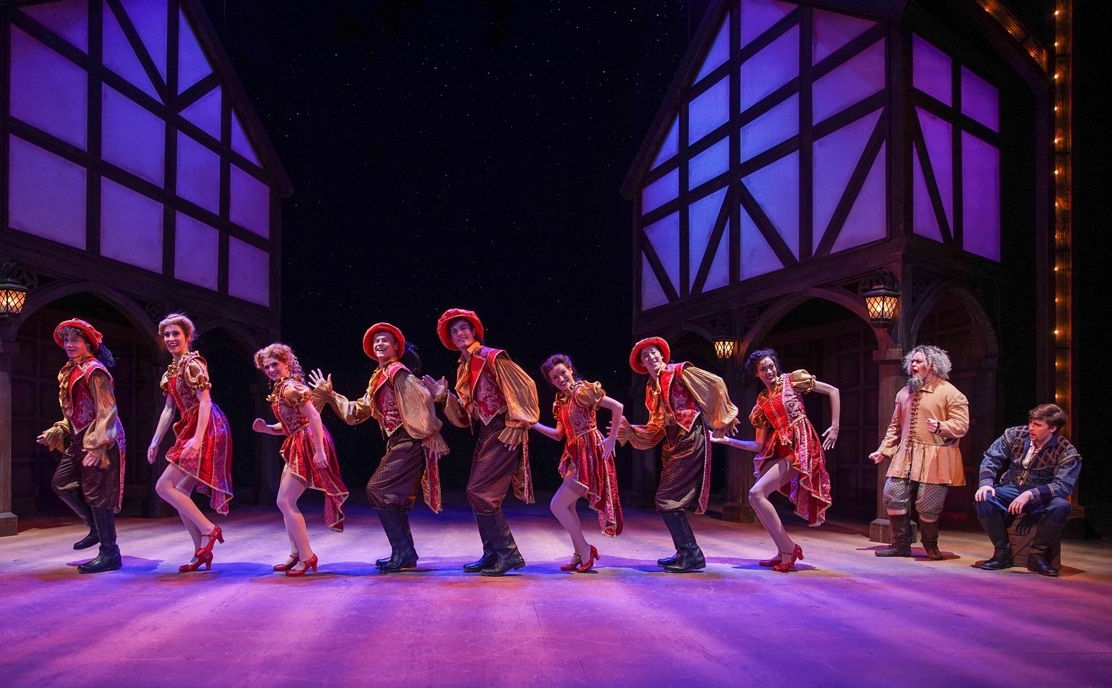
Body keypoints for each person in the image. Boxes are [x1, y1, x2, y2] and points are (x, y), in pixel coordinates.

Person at [309, 323, 447, 573]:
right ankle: (404, 553)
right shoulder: (378, 376)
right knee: (390, 497)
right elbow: (357, 412)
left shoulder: (398, 373)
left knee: (377, 489)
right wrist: (330, 396)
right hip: (397, 442)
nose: (379, 344)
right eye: (376, 342)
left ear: (396, 346)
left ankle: (403, 552)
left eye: (385, 340)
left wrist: (430, 431)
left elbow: (421, 398)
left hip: (410, 440)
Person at [423, 308, 540, 576]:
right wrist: (444, 397)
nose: (459, 333)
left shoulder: (492, 357)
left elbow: (525, 385)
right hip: (487, 432)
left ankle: (508, 554)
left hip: (503, 429)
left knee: (480, 493)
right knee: (476, 494)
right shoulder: (465, 367)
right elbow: (465, 417)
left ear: (475, 331)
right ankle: (492, 554)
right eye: (454, 331)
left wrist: (517, 423)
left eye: (464, 328)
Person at [617, 337, 739, 573]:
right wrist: (632, 431)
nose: (650, 357)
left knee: (665, 498)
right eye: (645, 356)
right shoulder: (651, 389)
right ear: (642, 363)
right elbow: (656, 425)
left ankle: (691, 554)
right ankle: (686, 552)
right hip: (673, 441)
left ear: (662, 355)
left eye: (653, 353)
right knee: (669, 499)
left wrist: (722, 416)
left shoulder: (678, 371)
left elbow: (715, 382)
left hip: (690, 436)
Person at [711, 348, 836, 572]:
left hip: (800, 446)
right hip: (779, 447)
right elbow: (758, 445)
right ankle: (783, 549)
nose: (769, 371)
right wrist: (727, 441)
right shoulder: (761, 403)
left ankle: (789, 548)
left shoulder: (792, 381)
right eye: (763, 369)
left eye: (770, 366)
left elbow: (833, 391)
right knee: (755, 496)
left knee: (756, 494)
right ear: (756, 374)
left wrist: (835, 426)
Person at [37, 318, 127, 573]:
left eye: (75, 340)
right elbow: (74, 412)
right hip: (80, 436)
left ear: (88, 343)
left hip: (101, 436)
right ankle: (96, 529)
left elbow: (107, 409)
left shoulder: (94, 370)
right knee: (61, 483)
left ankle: (110, 553)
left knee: (98, 494)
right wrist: (59, 429)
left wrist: (99, 443)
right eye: (66, 340)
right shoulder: (71, 370)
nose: (69, 345)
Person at [146, 314, 233, 572]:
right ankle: (200, 552)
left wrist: (197, 437)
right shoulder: (171, 371)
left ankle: (209, 529)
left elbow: (205, 401)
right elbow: (168, 410)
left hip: (207, 426)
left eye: (176, 334)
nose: (171, 339)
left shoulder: (193, 364)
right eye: (167, 335)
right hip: (189, 425)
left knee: (164, 486)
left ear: (187, 337)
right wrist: (155, 440)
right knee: (180, 492)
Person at [253, 343, 349, 576]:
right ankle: (296, 553)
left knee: (285, 501)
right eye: (267, 367)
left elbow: (314, 418)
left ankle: (307, 556)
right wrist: (267, 429)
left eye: (275, 364)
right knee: (283, 501)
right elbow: (288, 425)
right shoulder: (281, 389)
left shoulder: (291, 388)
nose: (272, 369)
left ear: (286, 363)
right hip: (298, 441)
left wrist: (319, 451)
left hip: (308, 441)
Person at [869, 344, 969, 559]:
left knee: (928, 504)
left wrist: (942, 427)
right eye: (912, 361)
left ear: (932, 365)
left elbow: (962, 425)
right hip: (906, 455)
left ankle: (930, 545)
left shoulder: (950, 393)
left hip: (936, 456)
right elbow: (895, 426)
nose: (913, 365)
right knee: (892, 495)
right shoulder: (904, 393)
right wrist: (884, 450)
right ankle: (900, 545)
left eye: (918, 361)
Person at [531, 354, 624, 573]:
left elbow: (617, 407)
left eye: (563, 373)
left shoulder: (583, 391)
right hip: (575, 453)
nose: (560, 378)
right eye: (555, 377)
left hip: (590, 451)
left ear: (570, 370)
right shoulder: (561, 402)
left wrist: (612, 439)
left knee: (557, 505)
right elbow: (557, 434)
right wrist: (533, 424)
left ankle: (584, 549)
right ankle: (578, 553)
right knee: (568, 505)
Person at [974, 403, 1081, 577]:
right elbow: (991, 457)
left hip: (1041, 495)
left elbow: (1064, 486)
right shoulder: (1014, 434)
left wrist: (1031, 494)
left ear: (1052, 428)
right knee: (984, 498)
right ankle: (1002, 552)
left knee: (1061, 506)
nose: (1031, 428)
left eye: (1038, 425)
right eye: (1031, 422)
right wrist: (986, 483)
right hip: (1012, 488)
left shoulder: (1066, 451)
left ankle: (1037, 556)